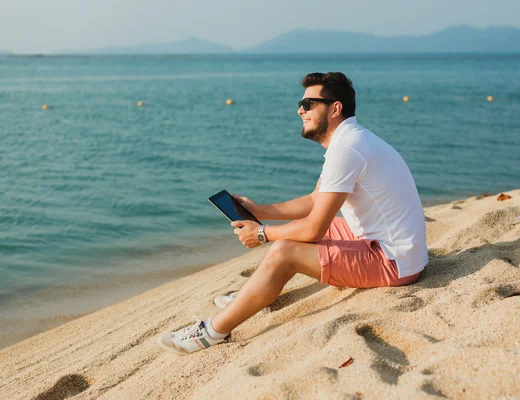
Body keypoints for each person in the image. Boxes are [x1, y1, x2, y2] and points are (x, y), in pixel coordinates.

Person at [157, 72, 428, 355]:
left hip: (395, 263)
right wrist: (258, 210)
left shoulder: (347, 149)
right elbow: (314, 200)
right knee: (300, 227)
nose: (300, 109)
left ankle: (212, 332)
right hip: (398, 249)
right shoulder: (352, 140)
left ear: (335, 108)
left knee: (285, 250)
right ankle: (252, 295)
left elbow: (314, 231)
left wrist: (262, 234)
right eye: (302, 103)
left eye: (309, 103)